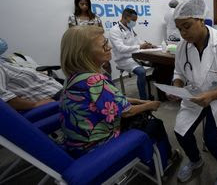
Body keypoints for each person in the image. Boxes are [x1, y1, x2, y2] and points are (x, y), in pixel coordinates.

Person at [59, 26, 178, 168]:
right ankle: (166, 162)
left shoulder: (73, 78)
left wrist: (140, 101)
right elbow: (126, 112)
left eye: (107, 42)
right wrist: (150, 105)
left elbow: (112, 100)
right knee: (155, 124)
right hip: (96, 147)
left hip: (76, 144)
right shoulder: (96, 81)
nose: (109, 47)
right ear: (84, 53)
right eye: (104, 45)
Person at [170, 0, 217, 185]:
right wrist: (177, 87)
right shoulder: (182, 47)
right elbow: (178, 72)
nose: (183, 33)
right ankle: (196, 161)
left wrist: (211, 95)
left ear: (201, 20)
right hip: (195, 95)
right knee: (181, 132)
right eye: (179, 29)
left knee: (211, 138)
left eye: (187, 26)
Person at [0, 38, 62, 110]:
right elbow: (3, 96)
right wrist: (34, 105)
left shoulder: (5, 61)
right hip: (54, 100)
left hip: (60, 94)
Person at [109, 8, 154, 100]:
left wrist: (147, 44)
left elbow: (138, 40)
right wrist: (140, 47)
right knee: (141, 72)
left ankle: (154, 90)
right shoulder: (115, 30)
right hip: (124, 59)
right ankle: (143, 99)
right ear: (125, 18)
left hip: (136, 56)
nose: (134, 22)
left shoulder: (130, 28)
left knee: (156, 64)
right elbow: (121, 49)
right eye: (133, 20)